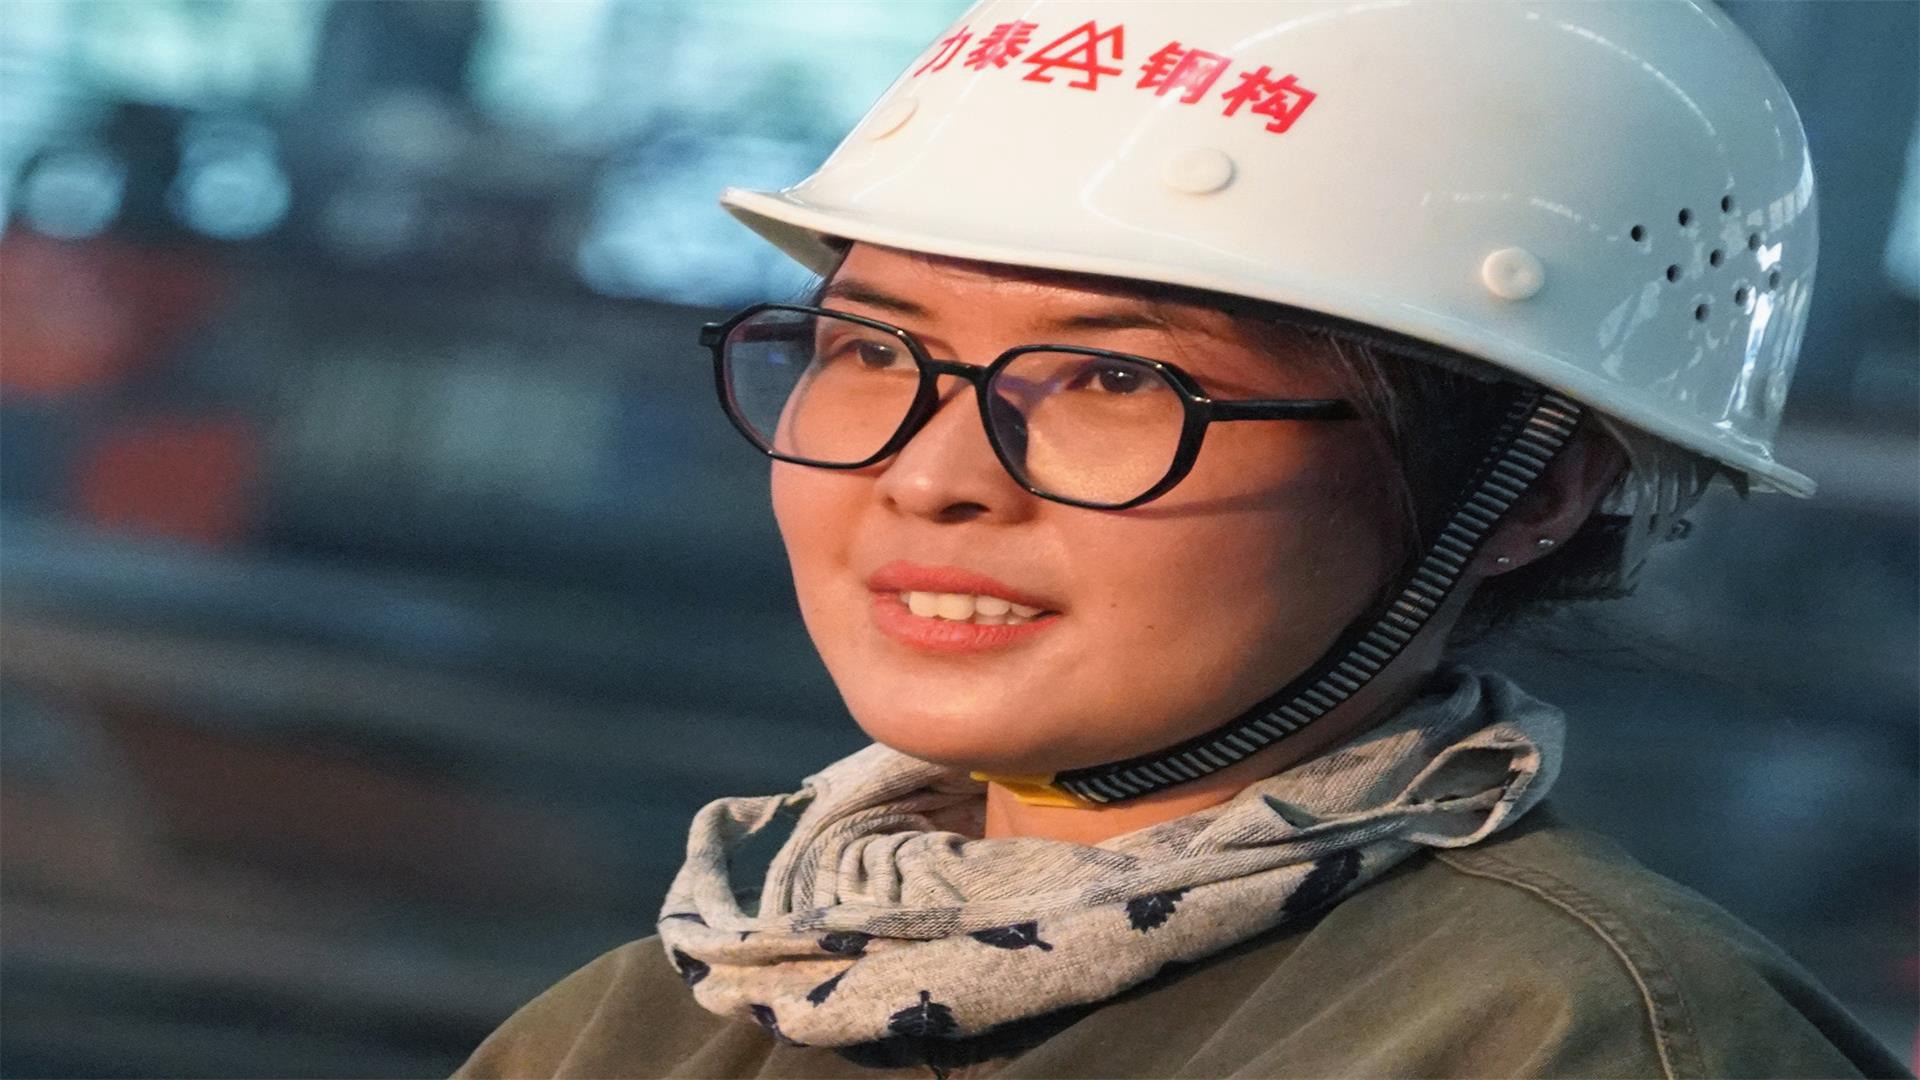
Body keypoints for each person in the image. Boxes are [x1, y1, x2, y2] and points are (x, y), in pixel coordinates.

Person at [457, 2, 1910, 1077]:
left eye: (1113, 379)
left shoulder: (1574, 1039)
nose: (933, 473)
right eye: (873, 351)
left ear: (1533, 488)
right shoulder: (650, 1026)